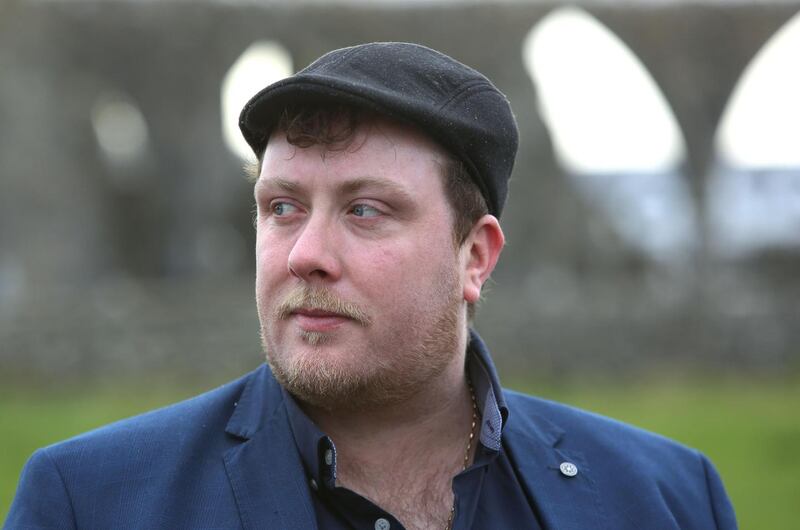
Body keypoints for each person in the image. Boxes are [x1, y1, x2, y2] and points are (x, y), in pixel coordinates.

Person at [5, 42, 736, 530]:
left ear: (475, 258)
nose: (306, 255)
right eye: (282, 207)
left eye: (365, 209)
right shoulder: (88, 502)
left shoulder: (668, 499)